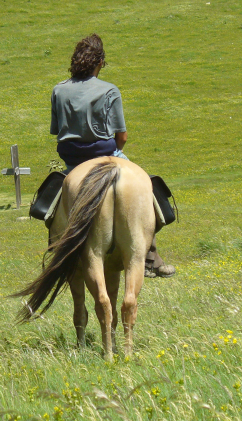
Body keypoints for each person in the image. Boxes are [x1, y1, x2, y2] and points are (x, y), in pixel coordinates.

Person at [50, 34, 175, 278]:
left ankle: (54, 250)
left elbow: (57, 131)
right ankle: (150, 257)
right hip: (106, 153)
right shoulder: (109, 90)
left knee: (50, 203)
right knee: (146, 190)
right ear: (99, 63)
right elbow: (123, 136)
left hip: (72, 161)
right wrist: (116, 153)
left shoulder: (58, 90)